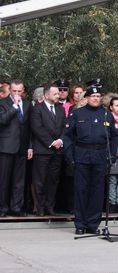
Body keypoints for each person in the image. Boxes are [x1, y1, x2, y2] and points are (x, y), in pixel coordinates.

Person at [63, 84, 118, 235]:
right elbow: (67, 136)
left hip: (100, 156)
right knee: (81, 190)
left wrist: (111, 155)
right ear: (87, 98)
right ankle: (80, 224)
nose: (96, 98)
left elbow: (115, 136)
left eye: (98, 96)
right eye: (93, 96)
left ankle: (93, 224)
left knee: (97, 191)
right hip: (81, 156)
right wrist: (70, 157)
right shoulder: (77, 114)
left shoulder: (107, 115)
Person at [30, 83, 65, 216]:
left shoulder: (61, 109)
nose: (58, 95)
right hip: (43, 150)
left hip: (57, 151)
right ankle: (40, 208)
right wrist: (51, 142)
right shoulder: (37, 109)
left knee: (53, 180)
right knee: (40, 180)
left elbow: (64, 126)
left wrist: (60, 141)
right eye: (55, 93)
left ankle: (50, 207)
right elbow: (37, 128)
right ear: (46, 95)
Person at [0, 79, 33, 216]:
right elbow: (2, 120)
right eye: (14, 91)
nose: (17, 94)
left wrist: (30, 146)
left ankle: (16, 208)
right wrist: (14, 107)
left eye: (20, 91)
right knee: (3, 180)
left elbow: (30, 127)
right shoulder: (3, 103)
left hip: (22, 147)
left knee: (19, 180)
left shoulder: (27, 104)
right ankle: (2, 208)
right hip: (6, 147)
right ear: (10, 90)